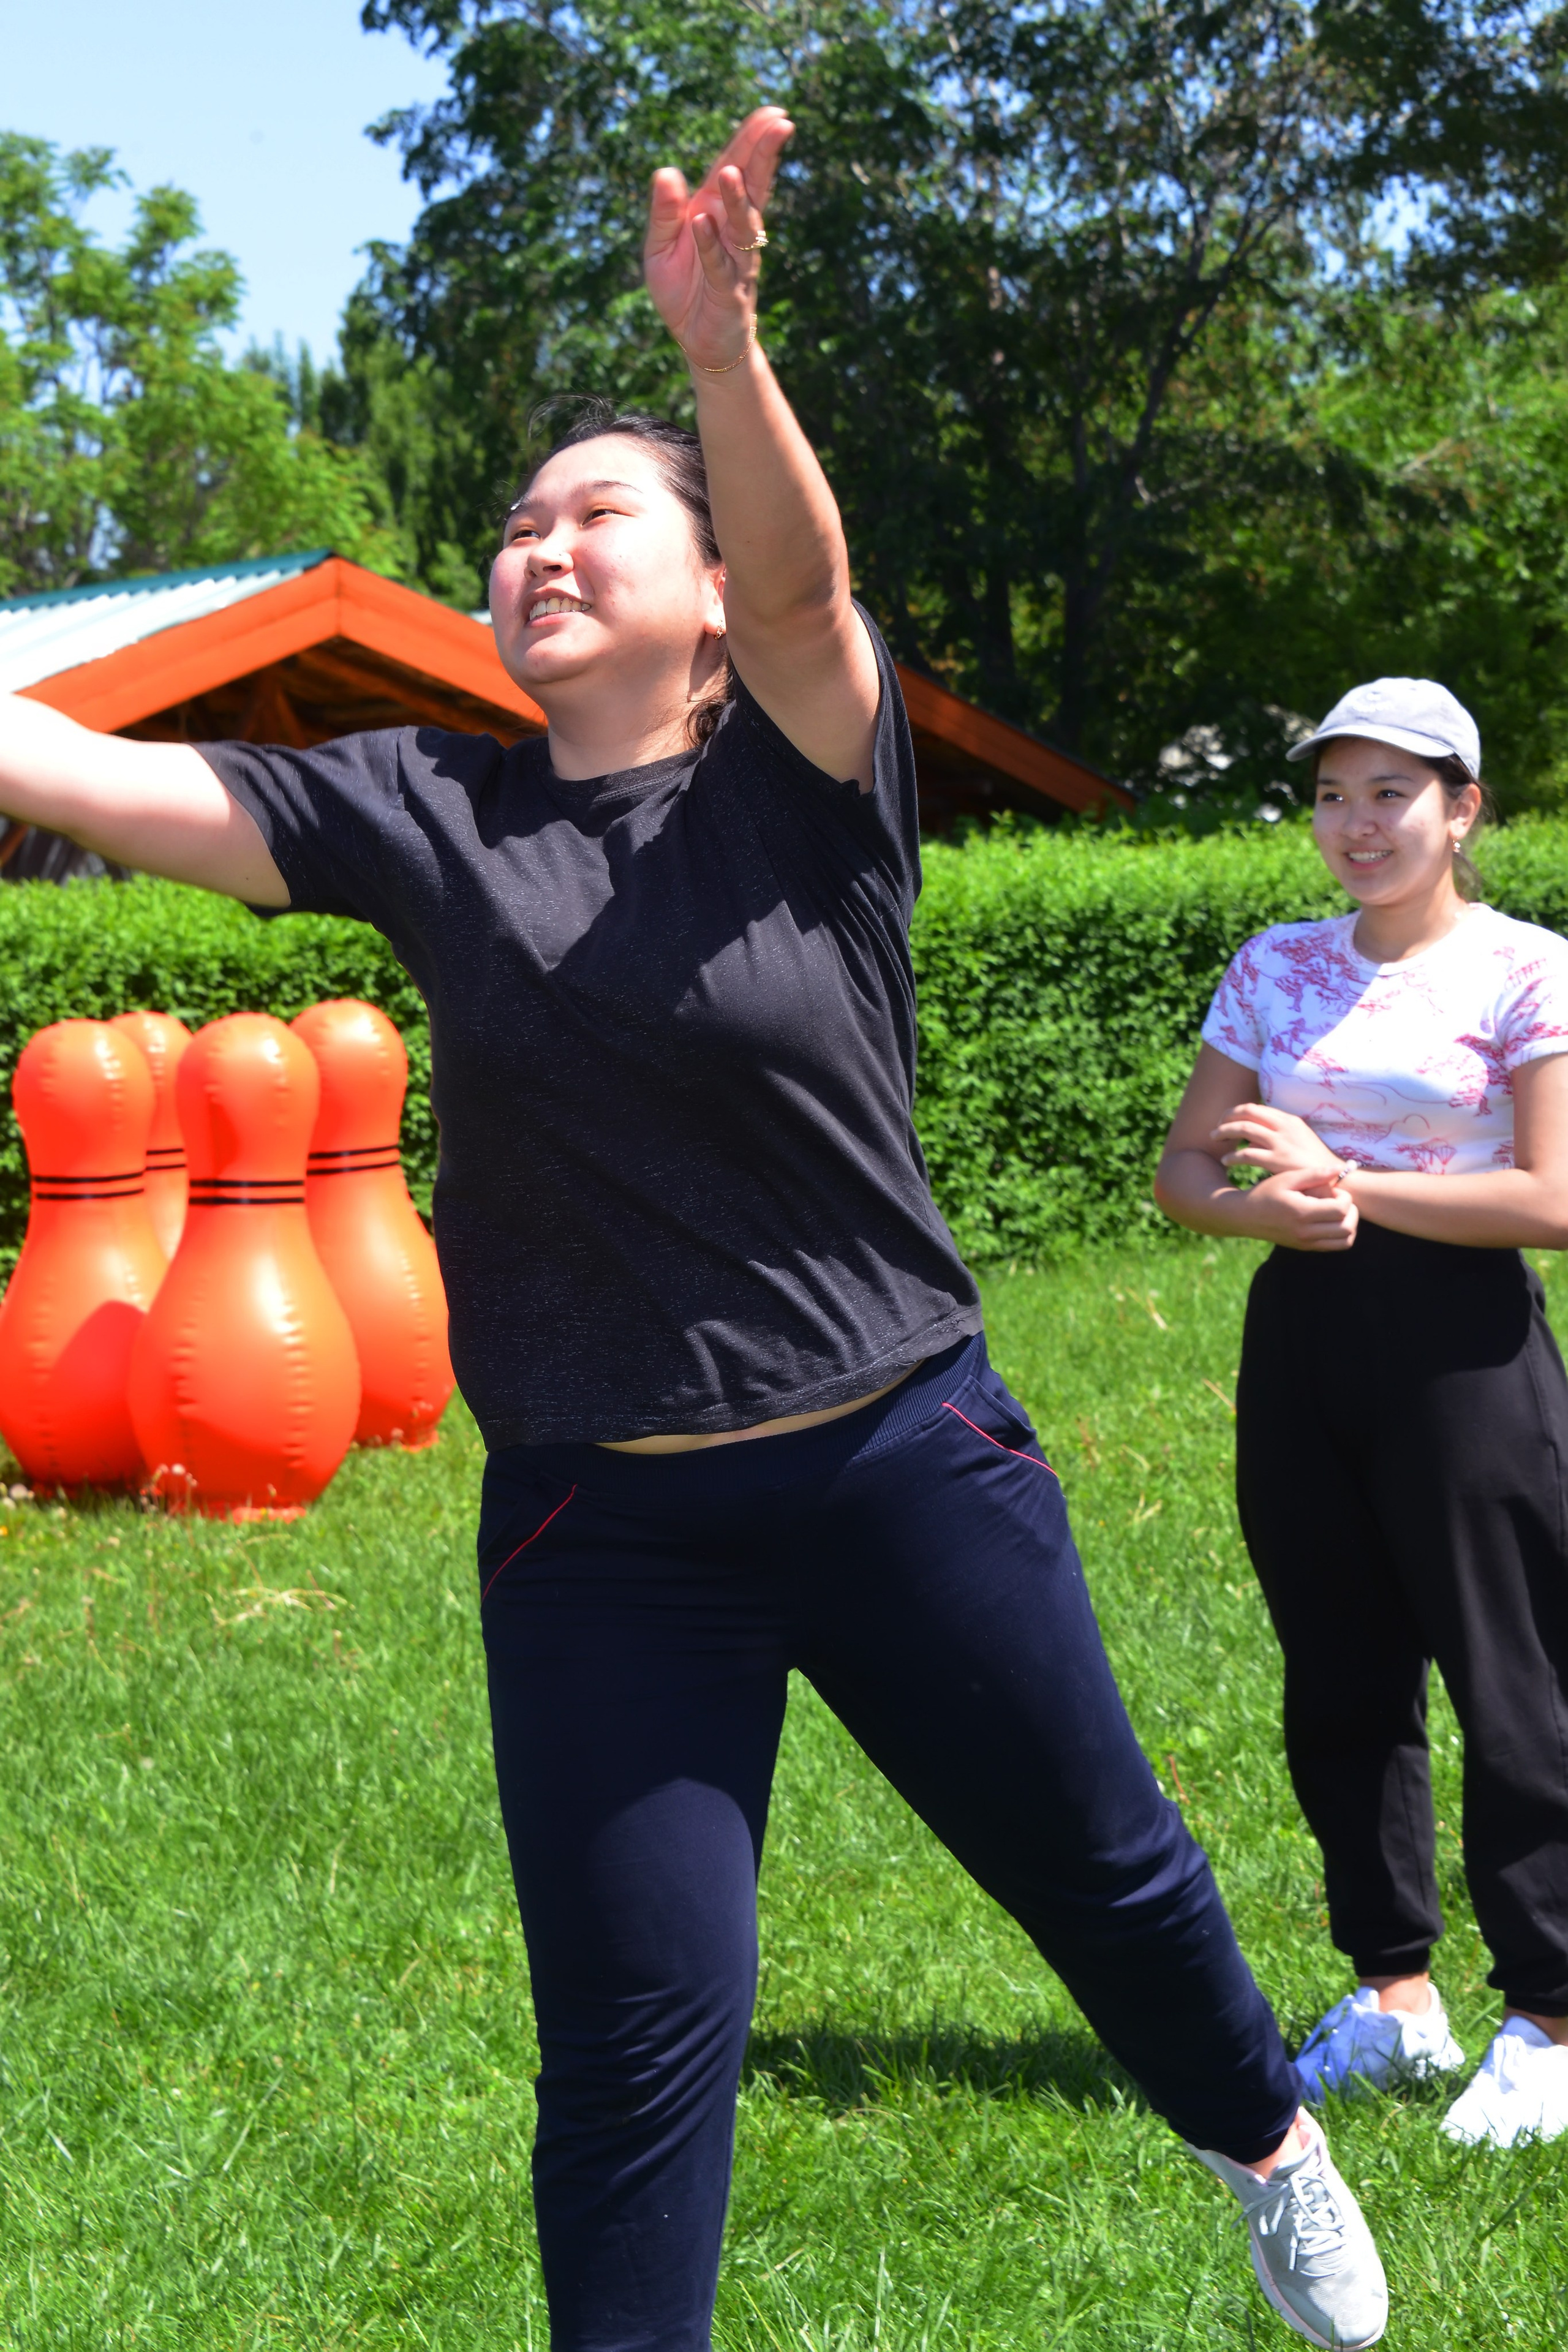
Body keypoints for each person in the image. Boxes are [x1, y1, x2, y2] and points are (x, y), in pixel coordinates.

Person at [0, 109, 1387, 2350]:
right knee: (636, 2052)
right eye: (514, 526)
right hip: (603, 1529)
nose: (539, 546)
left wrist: (723, 358)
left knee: (1109, 1878)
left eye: (594, 514)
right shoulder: (430, 808)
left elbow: (817, 597)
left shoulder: (802, 779)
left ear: (705, 583)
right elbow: (99, 777)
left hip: (900, 1461)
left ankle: (1267, 2142)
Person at [1156, 677, 1568, 2150]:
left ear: (1461, 811)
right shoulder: (1274, 966)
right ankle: (1393, 1996)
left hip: (1464, 1355)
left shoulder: (1526, 968)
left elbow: (1551, 1198)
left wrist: (1342, 1184)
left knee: (1513, 1686)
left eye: (1391, 792)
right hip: (1303, 1342)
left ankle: (1550, 2018)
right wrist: (1262, 1213)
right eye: (1333, 794)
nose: (1356, 823)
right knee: (1336, 1680)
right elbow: (1182, 1173)